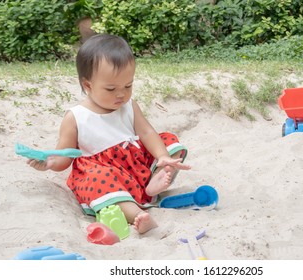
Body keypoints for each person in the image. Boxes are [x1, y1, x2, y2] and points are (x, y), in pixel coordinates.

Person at [26, 34, 191, 234]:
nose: (121, 94)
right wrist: (50, 162)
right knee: (98, 179)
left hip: (135, 167)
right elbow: (65, 156)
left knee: (169, 142)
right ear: (88, 85)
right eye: (111, 88)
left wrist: (163, 157)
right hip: (104, 172)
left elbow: (147, 132)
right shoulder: (76, 117)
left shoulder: (129, 106)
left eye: (128, 86)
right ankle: (136, 214)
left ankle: (153, 183)